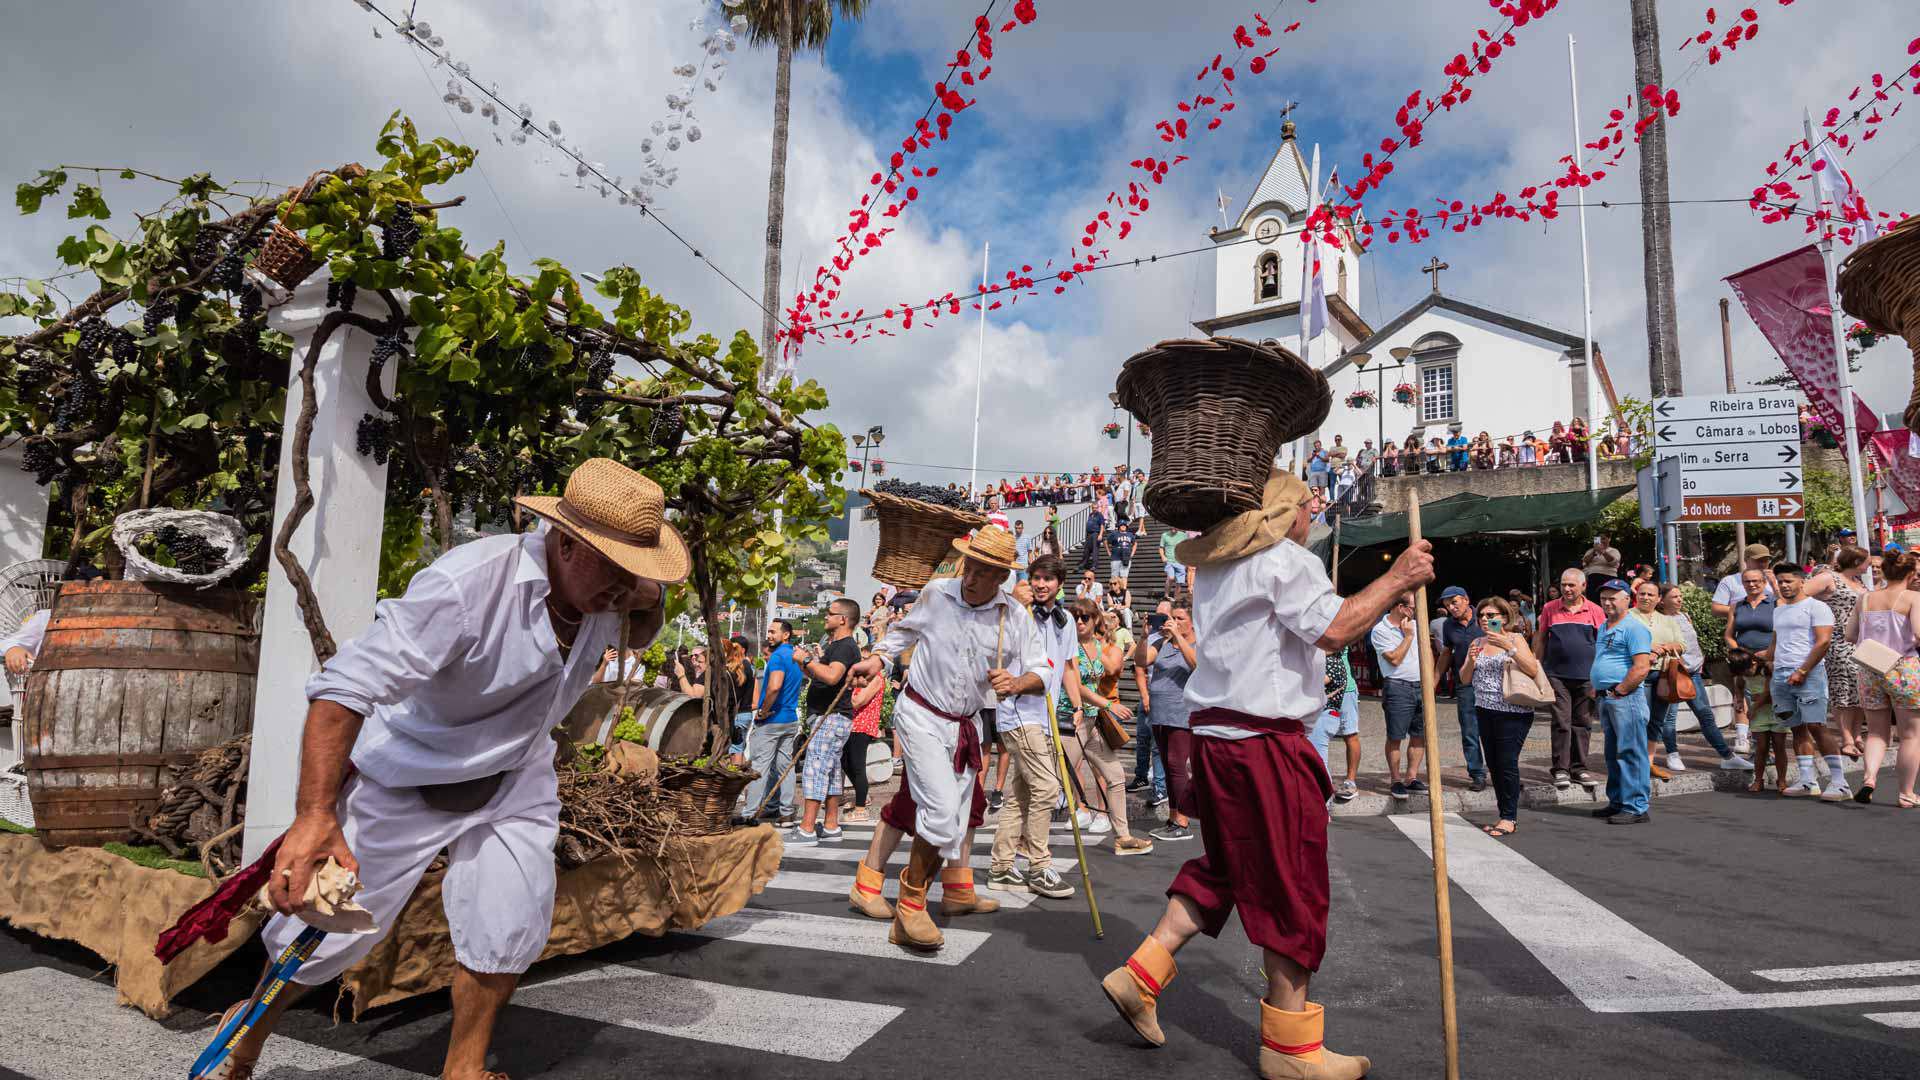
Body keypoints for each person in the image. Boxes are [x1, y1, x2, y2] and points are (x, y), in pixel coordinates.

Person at [223, 458, 678, 1080]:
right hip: (409, 777)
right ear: (567, 542)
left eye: (637, 573)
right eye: (615, 569)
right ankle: (247, 1033)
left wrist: (644, 596)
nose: (625, 589)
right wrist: (314, 816)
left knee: (509, 918)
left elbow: (645, 607)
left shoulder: (617, 591)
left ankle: (463, 1066)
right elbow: (343, 689)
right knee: (326, 932)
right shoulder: (467, 587)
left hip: (517, 776)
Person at [1099, 468, 1434, 1080]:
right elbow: (1334, 631)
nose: (1315, 511)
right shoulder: (1288, 559)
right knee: (1293, 879)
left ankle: (1141, 973)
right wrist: (1398, 577)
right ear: (1285, 516)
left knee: (1228, 866)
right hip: (1264, 742)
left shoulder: (1219, 569)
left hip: (1219, 740)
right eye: (1308, 504)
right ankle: (1291, 1048)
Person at [843, 526, 1047, 948]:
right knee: (938, 810)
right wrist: (876, 660)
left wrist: (1017, 681)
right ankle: (911, 908)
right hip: (919, 716)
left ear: (1002, 578)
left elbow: (1041, 670)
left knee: (952, 818)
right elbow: (902, 634)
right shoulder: (937, 593)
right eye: (969, 567)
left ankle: (947, 890)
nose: (970, 577)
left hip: (964, 727)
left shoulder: (1015, 617)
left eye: (983, 572)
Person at [986, 555, 1077, 898]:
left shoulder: (1065, 620)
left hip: (1045, 713)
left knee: (1020, 794)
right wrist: (1014, 605)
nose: (1041, 584)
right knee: (1048, 787)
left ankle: (1001, 866)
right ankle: (1039, 866)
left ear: (1059, 583)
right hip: (1018, 712)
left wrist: (1076, 704)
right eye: (1036, 577)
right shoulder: (1011, 611)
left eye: (1048, 579)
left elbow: (1066, 665)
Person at [1060, 598, 1151, 853]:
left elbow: (1116, 667)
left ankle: (1123, 837)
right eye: (1074, 617)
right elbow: (1076, 685)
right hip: (1070, 719)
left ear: (1095, 620)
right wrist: (1108, 705)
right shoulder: (1068, 647)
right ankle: (1021, 840)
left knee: (1116, 776)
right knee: (1049, 783)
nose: (1079, 621)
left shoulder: (1097, 647)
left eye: (1084, 617)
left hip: (1091, 721)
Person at [1460, 596, 1541, 837]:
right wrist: (1472, 660)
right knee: (1494, 764)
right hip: (1485, 710)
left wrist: (1509, 647)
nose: (1485, 620)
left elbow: (1532, 669)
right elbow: (1464, 679)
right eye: (1482, 616)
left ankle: (1509, 817)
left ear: (1504, 618)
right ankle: (1502, 812)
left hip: (1513, 711)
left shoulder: (1514, 638)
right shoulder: (1477, 641)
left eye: (1491, 616)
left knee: (1507, 763)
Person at [1769, 563, 1851, 800]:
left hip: (1809, 673)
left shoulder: (1818, 607)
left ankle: (1840, 782)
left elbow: (1823, 642)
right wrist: (1766, 661)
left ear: (1801, 581)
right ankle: (1807, 780)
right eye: (1780, 581)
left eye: (1788, 581)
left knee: (1816, 725)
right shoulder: (1778, 609)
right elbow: (1776, 643)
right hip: (1781, 674)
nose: (1784, 585)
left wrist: (1803, 670)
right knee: (1796, 727)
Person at [1846, 549, 1920, 807]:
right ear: (1911, 574)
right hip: (1904, 668)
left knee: (1876, 733)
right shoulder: (1912, 598)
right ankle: (1906, 793)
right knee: (1910, 735)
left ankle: (1869, 778)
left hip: (1870, 668)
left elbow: (1850, 635)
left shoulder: (1865, 599)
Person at [1654, 583, 1751, 772]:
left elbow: (1692, 642)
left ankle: (1726, 756)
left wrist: (1700, 661)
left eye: (1680, 596)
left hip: (1694, 672)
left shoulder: (1684, 616)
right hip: (1672, 673)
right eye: (1674, 597)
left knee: (1705, 714)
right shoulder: (1658, 620)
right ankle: (1672, 754)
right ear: (1662, 600)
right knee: (1670, 717)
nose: (1680, 599)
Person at [789, 598, 863, 846]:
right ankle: (831, 825)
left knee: (815, 769)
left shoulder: (844, 646)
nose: (825, 617)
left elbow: (832, 677)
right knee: (831, 773)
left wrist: (808, 661)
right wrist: (805, 663)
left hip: (831, 717)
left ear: (843, 619)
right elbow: (821, 676)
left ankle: (807, 828)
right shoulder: (836, 646)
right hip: (830, 717)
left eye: (830, 614)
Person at [1590, 579, 1655, 824]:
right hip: (1608, 697)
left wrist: (1620, 690)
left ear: (1628, 599)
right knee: (1613, 753)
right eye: (1604, 597)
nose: (1607, 602)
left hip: (1625, 697)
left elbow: (1641, 667)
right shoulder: (1605, 626)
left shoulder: (1634, 628)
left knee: (1631, 752)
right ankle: (1618, 801)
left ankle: (1636, 806)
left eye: (1613, 597)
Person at [1534, 568, 1605, 789]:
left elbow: (1602, 644)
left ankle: (1579, 768)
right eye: (1564, 584)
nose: (1566, 589)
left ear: (1583, 586)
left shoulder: (1595, 610)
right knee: (1561, 722)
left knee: (1582, 723)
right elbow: (1541, 639)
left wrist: (1599, 676)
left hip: (1587, 677)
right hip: (1556, 675)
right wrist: (1536, 668)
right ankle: (1561, 769)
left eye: (1571, 585)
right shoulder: (1549, 609)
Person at [1138, 603, 1199, 839]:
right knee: (1167, 764)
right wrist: (1144, 637)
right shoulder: (1161, 643)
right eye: (1171, 617)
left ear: (1192, 622)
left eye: (1180, 618)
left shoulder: (1196, 644)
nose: (1174, 621)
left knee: (1176, 766)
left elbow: (1197, 665)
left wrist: (1178, 637)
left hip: (1181, 714)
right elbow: (1142, 661)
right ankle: (1173, 817)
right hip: (1159, 715)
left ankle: (1182, 821)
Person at [1807, 546, 1868, 758]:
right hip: (1839, 640)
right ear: (1855, 561)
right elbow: (1802, 595)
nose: (1869, 565)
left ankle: (1857, 734)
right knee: (1842, 688)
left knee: (1860, 689)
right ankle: (1846, 738)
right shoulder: (1828, 577)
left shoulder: (1860, 582)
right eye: (1866, 560)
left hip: (1862, 642)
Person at [1626, 581, 1689, 782]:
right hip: (1639, 674)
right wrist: (1649, 648)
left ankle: (1648, 763)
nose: (1645, 597)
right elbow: (1623, 640)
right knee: (1639, 720)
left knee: (1656, 721)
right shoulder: (1628, 616)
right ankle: (1634, 763)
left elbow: (1683, 645)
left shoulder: (1668, 620)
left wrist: (1667, 647)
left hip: (1663, 675)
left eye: (1650, 594)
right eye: (1642, 593)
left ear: (1658, 599)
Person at [743, 619, 803, 825]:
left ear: (785, 635)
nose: (769, 635)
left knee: (760, 766)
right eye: (768, 631)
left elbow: (774, 687)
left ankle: (749, 812)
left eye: (772, 632)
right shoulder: (795, 656)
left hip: (772, 719)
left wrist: (763, 711)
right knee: (785, 767)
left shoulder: (777, 657)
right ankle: (785, 811)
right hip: (789, 718)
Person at [1433, 586, 1490, 792]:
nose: (1451, 607)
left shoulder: (1485, 617)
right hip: (1465, 683)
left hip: (1490, 682)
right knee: (1469, 730)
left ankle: (1503, 772)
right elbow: (1446, 653)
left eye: (1454, 601)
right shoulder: (1448, 625)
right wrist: (1434, 680)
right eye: (1447, 604)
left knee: (1495, 729)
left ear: (1466, 600)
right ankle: (1477, 773)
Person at [1371, 593, 1426, 801]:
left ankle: (1411, 777)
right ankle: (1395, 779)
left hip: (1421, 685)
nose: (1416, 610)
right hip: (1397, 686)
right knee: (1396, 736)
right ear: (1401, 607)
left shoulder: (1416, 625)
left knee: (1419, 734)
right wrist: (1409, 637)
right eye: (1413, 606)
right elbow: (1393, 659)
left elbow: (1426, 653)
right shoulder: (1380, 629)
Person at [1724, 566, 1777, 755]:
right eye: (1747, 581)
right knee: (1743, 697)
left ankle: (1770, 747)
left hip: (1769, 660)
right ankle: (1753, 743)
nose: (1752, 584)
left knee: (1766, 699)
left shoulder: (1774, 603)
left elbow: (1782, 631)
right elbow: (1729, 635)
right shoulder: (1737, 605)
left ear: (1763, 582)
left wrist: (1770, 651)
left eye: (1756, 581)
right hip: (1744, 662)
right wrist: (1738, 651)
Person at [1309, 643, 1362, 804]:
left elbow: (1335, 646)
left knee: (1350, 735)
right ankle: (1323, 787)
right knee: (1319, 741)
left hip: (1346, 689)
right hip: (1324, 690)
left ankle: (1350, 782)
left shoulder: (1338, 627)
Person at [725, 638, 759, 763]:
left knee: (735, 750)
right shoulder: (750, 667)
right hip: (746, 713)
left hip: (738, 714)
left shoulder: (738, 668)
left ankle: (736, 779)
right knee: (739, 747)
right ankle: (741, 777)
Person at [1582, 534, 1622, 601]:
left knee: (1606, 597)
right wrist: (1594, 551)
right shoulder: (1590, 551)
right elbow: (1585, 562)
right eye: (1599, 539)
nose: (1601, 541)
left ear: (1609, 539)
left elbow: (1614, 562)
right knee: (1592, 598)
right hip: (1592, 577)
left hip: (1608, 577)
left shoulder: (1614, 551)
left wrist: (1603, 551)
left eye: (1603, 538)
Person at [1161, 524, 1191, 599]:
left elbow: (1187, 547)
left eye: (1175, 526)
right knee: (1171, 577)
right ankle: (1166, 595)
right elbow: (1161, 548)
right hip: (1169, 561)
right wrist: (1163, 556)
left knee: (1179, 582)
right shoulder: (1164, 535)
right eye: (1172, 526)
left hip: (1180, 561)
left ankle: (1176, 598)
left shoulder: (1184, 535)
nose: (1173, 528)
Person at [1108, 520, 1138, 590]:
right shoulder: (1114, 534)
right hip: (1115, 558)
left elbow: (1135, 543)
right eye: (1122, 525)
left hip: (1126, 558)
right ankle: (1114, 591)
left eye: (1124, 525)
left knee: (1124, 576)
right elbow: (1106, 542)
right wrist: (1108, 552)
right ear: (1119, 526)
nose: (1123, 526)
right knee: (1114, 576)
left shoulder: (1130, 534)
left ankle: (1123, 591)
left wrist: (1132, 553)